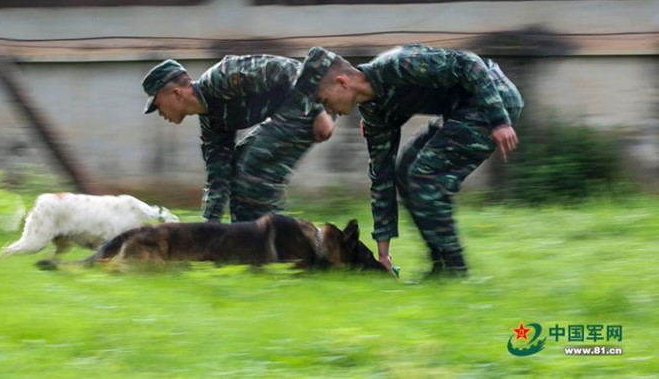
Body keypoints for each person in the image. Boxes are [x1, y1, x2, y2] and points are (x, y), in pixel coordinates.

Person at [297, 44, 524, 279]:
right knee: (405, 170)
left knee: (423, 175)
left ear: (343, 82)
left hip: (493, 100)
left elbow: (470, 63)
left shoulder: (396, 65)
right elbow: (381, 176)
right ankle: (441, 265)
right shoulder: (374, 111)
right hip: (460, 110)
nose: (326, 110)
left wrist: (499, 121)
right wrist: (383, 253)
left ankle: (455, 270)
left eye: (323, 100)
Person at [142, 55, 334, 222]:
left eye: (158, 105)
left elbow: (290, 70)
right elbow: (218, 176)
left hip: (312, 102)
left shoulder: (221, 77)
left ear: (176, 93)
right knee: (237, 162)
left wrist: (318, 110)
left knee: (255, 159)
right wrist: (209, 227)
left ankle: (282, 238)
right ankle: (244, 238)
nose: (160, 114)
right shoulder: (212, 123)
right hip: (291, 115)